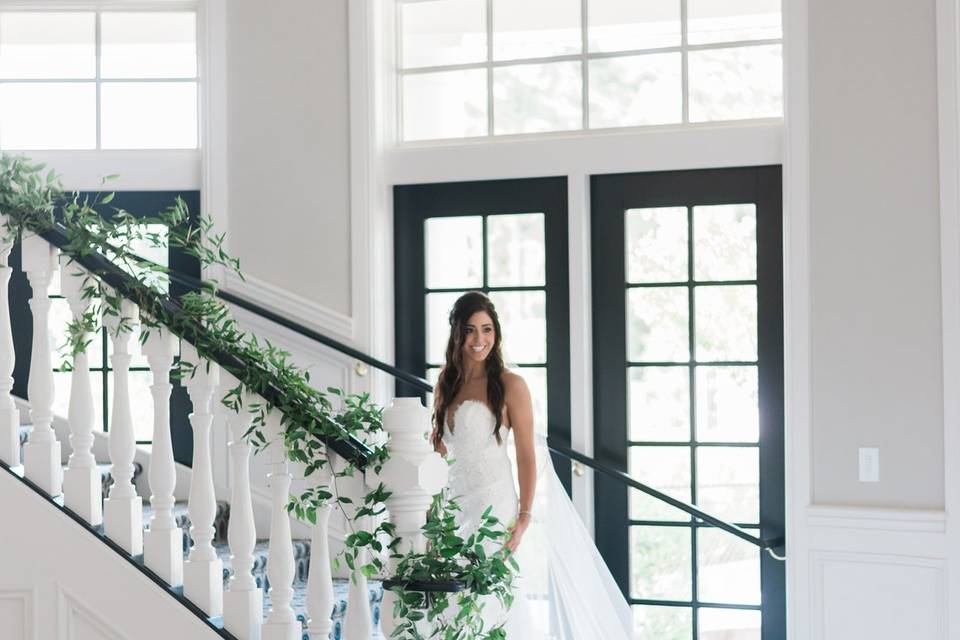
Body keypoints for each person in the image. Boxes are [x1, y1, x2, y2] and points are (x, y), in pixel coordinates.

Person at [430, 291, 632, 639]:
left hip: (494, 503)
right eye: (471, 330)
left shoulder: (511, 384)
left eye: (487, 329)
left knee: (489, 596)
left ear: (496, 333)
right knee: (455, 595)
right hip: (453, 502)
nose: (480, 340)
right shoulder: (446, 382)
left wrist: (524, 516)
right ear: (457, 333)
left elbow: (526, 454)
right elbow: (439, 449)